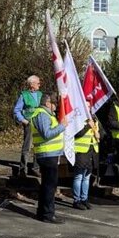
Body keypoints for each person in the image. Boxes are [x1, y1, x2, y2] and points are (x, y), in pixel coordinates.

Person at [31, 94, 66, 223]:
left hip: (50, 154)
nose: (55, 106)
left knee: (47, 185)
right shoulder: (42, 114)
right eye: (53, 103)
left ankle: (43, 212)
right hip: (47, 154)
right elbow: (46, 133)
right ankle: (48, 214)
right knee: (50, 186)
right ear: (47, 103)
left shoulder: (46, 114)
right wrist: (62, 126)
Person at [13, 75, 43, 177]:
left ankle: (36, 168)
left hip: (39, 123)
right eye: (38, 83)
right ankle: (22, 169)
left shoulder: (40, 94)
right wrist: (23, 120)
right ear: (32, 84)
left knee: (38, 146)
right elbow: (17, 110)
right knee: (27, 147)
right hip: (29, 123)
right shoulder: (24, 95)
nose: (39, 85)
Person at [73, 111, 101, 210]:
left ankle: (84, 199)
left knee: (87, 177)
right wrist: (88, 126)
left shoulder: (95, 119)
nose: (88, 108)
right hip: (81, 151)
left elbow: (101, 133)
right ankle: (77, 200)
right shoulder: (78, 118)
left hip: (92, 151)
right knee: (79, 176)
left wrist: (99, 134)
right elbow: (76, 133)